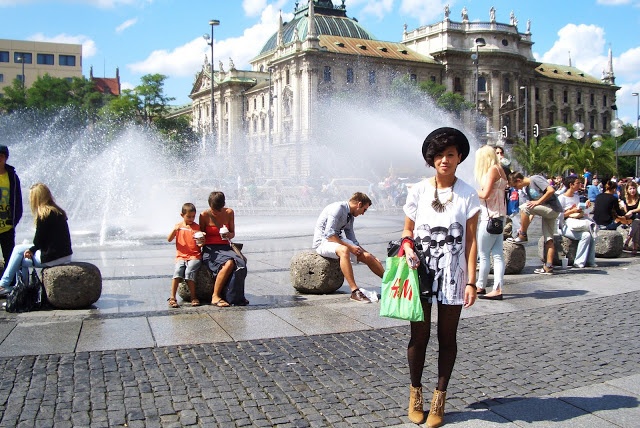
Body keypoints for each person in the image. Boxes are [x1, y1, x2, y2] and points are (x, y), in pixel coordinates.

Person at [400, 127, 479, 427]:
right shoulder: (417, 191)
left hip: (454, 274)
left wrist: (471, 281)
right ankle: (415, 393)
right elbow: (407, 230)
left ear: (459, 157)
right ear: (431, 159)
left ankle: (439, 399)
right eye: (439, 155)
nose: (444, 160)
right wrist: (407, 245)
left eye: (450, 154)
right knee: (418, 336)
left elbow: (470, 242)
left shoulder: (468, 194)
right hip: (420, 272)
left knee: (448, 337)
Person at [0, 183, 72, 297]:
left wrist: (31, 250)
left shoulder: (44, 214)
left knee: (20, 257)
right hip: (65, 255)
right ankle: (19, 287)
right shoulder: (57, 211)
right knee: (20, 252)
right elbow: (44, 240)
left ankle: (7, 285)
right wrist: (31, 250)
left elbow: (38, 241)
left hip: (53, 257)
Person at [312, 192, 384, 303]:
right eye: (364, 210)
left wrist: (372, 256)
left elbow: (353, 241)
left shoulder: (350, 216)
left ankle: (392, 285)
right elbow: (329, 234)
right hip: (322, 242)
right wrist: (350, 247)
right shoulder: (338, 208)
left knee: (367, 257)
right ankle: (355, 291)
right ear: (359, 204)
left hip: (336, 241)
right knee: (344, 250)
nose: (363, 213)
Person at [199, 191, 248, 307]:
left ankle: (235, 296)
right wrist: (200, 238)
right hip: (210, 249)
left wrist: (228, 235)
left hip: (225, 247)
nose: (216, 212)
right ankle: (215, 296)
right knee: (230, 263)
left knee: (241, 263)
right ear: (210, 205)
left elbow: (232, 233)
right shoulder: (204, 215)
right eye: (214, 209)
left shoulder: (229, 212)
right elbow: (201, 234)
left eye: (219, 209)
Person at [509, 172, 564, 275]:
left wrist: (538, 202)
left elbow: (551, 190)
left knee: (524, 207)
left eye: (516, 186)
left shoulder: (535, 179)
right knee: (549, 239)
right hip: (546, 211)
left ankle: (523, 236)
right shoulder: (527, 189)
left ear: (519, 180)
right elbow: (530, 212)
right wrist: (523, 227)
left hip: (552, 208)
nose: (518, 189)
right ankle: (548, 267)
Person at [474, 145, 507, 300]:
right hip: (500, 217)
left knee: (484, 254)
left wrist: (472, 192)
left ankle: (481, 286)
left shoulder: (492, 170)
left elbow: (486, 194)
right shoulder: (501, 169)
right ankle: (497, 288)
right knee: (498, 255)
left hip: (489, 218)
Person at [167, 203, 203, 308]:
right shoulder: (178, 227)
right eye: (189, 217)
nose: (191, 219)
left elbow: (200, 244)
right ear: (182, 215)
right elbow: (169, 239)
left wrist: (202, 242)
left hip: (194, 256)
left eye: (193, 216)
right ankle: (172, 297)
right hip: (181, 256)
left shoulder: (197, 227)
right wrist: (174, 230)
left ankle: (193, 296)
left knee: (189, 271)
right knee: (178, 271)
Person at [558, 177, 597, 268]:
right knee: (586, 234)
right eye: (578, 183)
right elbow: (559, 216)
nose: (580, 185)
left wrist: (585, 208)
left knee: (590, 233)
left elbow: (579, 212)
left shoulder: (576, 197)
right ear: (571, 185)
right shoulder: (561, 198)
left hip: (576, 223)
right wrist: (572, 211)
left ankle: (589, 260)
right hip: (563, 225)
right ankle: (580, 262)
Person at [0, 145, 23, 267]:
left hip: (7, 227)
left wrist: (14, 221)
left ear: (6, 158)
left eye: (2, 156)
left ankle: (11, 285)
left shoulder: (12, 177)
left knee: (10, 259)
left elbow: (18, 201)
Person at [621, 180, 640, 253]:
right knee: (637, 225)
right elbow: (625, 212)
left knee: (637, 221)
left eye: (634, 188)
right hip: (630, 219)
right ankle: (635, 246)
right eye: (630, 189)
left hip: (638, 217)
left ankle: (627, 240)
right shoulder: (624, 199)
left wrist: (632, 211)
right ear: (627, 190)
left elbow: (639, 208)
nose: (632, 190)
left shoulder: (639, 198)